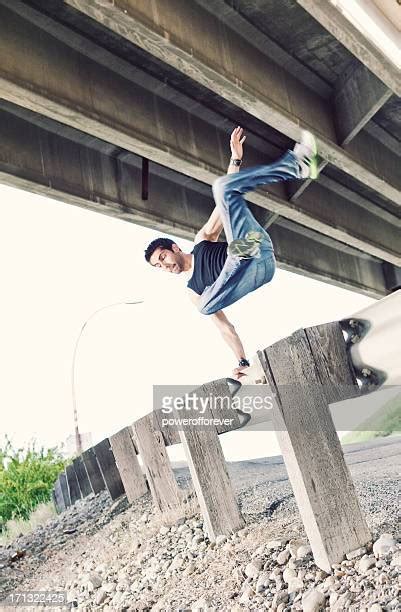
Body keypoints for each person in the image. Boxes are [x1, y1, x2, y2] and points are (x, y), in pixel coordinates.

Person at [145, 127, 319, 380]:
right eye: (158, 267)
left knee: (222, 187)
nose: (165, 266)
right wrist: (242, 360)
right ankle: (236, 259)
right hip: (255, 274)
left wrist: (235, 159)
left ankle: (296, 165)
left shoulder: (202, 240)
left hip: (255, 248)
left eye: (162, 258)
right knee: (203, 307)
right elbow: (225, 328)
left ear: (174, 248)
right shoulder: (195, 291)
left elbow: (223, 202)